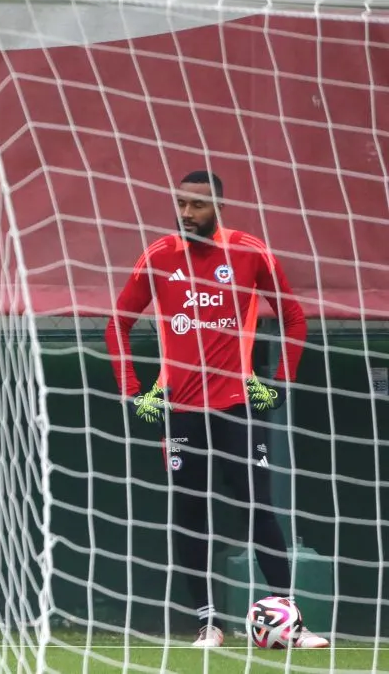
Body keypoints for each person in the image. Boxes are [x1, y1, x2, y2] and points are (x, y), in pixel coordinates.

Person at [103, 170, 328, 649]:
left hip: (238, 407)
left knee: (259, 509)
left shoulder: (249, 251)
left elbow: (293, 316)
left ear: (218, 208)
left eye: (198, 205)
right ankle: (208, 624)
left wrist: (281, 382)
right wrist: (133, 390)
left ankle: (290, 621)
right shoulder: (159, 256)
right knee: (189, 512)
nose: (187, 213)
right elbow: (116, 325)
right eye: (181, 204)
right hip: (181, 411)